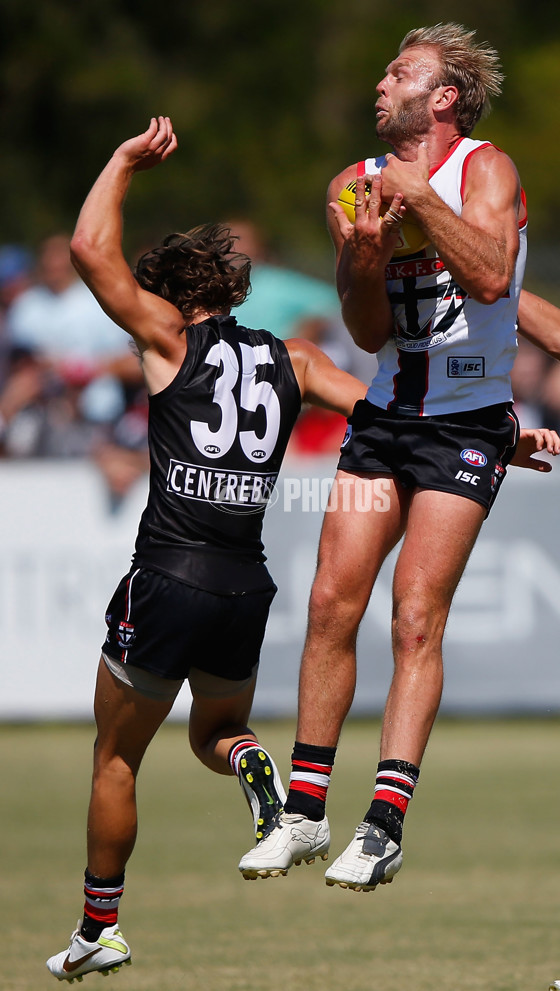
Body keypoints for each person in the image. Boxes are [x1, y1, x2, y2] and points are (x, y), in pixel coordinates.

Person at [45, 116, 369, 982]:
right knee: (217, 729)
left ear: (175, 298)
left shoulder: (167, 341)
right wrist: (503, 434)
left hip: (163, 577)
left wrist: (119, 160)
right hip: (242, 584)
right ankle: (258, 768)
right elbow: (378, 412)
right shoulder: (295, 359)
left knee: (117, 756)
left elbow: (86, 249)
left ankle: (98, 927)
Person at [238, 21, 537, 892]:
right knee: (332, 599)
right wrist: (366, 257)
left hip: (466, 425)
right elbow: (367, 329)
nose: (380, 83)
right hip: (383, 422)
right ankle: (303, 809)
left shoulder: (487, 168)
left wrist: (418, 206)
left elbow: (487, 276)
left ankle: (383, 823)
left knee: (415, 614)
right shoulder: (349, 186)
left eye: (399, 72)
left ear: (442, 98)